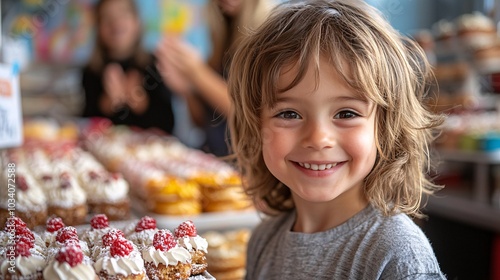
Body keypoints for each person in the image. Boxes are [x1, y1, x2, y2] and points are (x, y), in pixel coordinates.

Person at [227, 0, 447, 279]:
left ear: (386, 127)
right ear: (256, 126)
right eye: (289, 113)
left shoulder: (396, 251)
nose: (318, 139)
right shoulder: (262, 240)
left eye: (346, 113)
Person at [155, 0, 273, 156]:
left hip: (244, 163)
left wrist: (197, 73)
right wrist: (186, 90)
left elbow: (247, 115)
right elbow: (203, 121)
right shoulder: (222, 37)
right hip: (215, 158)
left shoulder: (270, 35)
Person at [82, 0, 175, 134]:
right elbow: (86, 125)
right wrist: (107, 104)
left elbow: (168, 125)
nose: (115, 22)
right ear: (98, 28)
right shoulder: (92, 71)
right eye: (106, 17)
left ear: (137, 22)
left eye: (123, 14)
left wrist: (142, 105)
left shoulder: (156, 65)